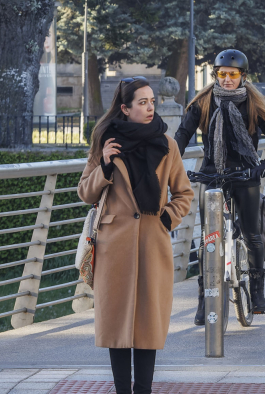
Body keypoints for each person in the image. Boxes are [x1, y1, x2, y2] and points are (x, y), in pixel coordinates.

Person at [78, 78, 194, 394]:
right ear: (125, 108)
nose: (149, 107)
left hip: (152, 243)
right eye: (142, 102)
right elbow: (84, 192)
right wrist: (103, 165)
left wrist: (166, 220)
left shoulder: (166, 145)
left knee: (147, 323)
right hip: (114, 244)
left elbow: (184, 192)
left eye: (152, 101)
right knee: (117, 325)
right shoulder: (106, 140)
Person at [175, 49, 265, 322]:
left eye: (232, 74)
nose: (227, 79)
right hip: (212, 175)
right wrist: (174, 165)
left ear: (243, 76)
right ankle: (203, 301)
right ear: (215, 75)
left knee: (252, 234)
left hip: (246, 175)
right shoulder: (203, 103)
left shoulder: (253, 104)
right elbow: (181, 137)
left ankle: (257, 294)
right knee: (206, 240)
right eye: (221, 74)